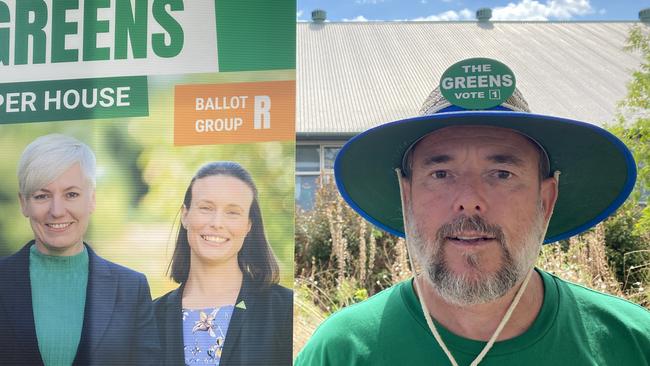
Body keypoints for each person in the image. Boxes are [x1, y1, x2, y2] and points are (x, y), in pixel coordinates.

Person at [295, 58, 650, 365]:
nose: (469, 200)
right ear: (407, 196)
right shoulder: (340, 351)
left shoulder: (633, 344)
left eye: (501, 174)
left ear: (546, 200)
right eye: (441, 174)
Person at [0, 133, 161, 365]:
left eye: (71, 194)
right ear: (24, 203)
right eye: (42, 196)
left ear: (92, 199)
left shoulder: (131, 289)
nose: (57, 210)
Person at [154, 161, 292, 366]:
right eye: (206, 208)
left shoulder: (284, 309)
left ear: (248, 225)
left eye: (232, 212)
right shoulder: (150, 317)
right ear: (185, 216)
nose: (217, 223)